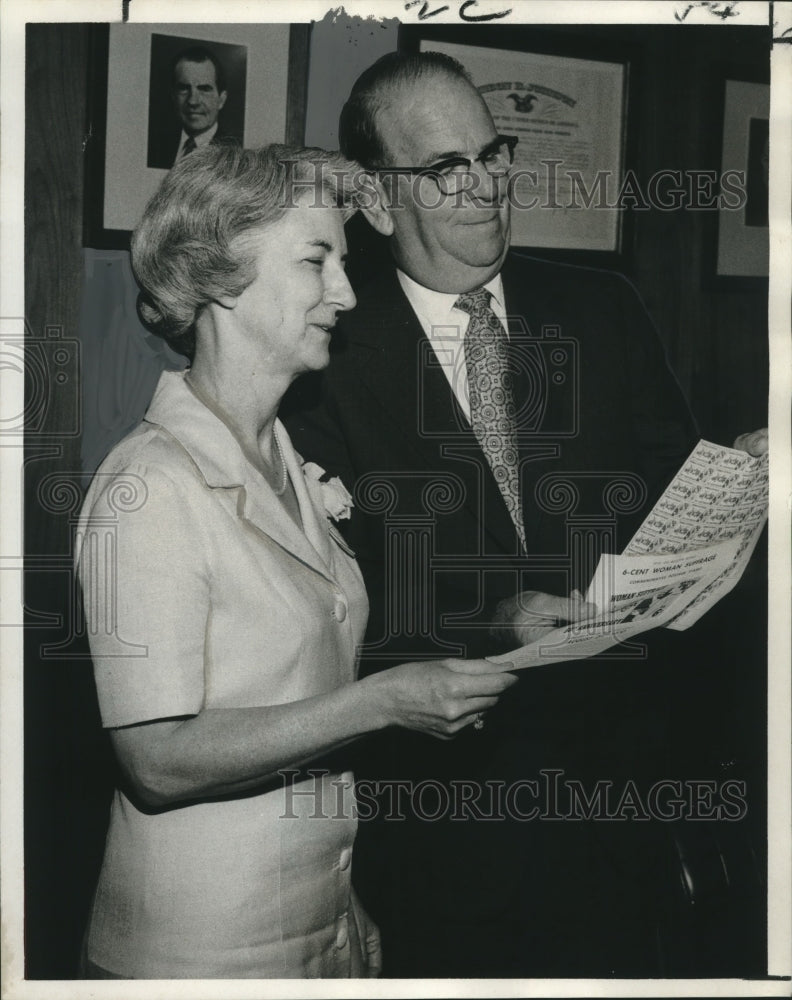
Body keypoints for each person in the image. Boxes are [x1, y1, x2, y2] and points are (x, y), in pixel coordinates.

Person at [282, 51, 768, 977]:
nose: (486, 187)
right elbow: (320, 607)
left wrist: (741, 481)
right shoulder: (327, 346)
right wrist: (486, 628)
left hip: (619, 802)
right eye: (443, 169)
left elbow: (673, 499)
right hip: (439, 825)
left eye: (492, 153)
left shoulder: (602, 308)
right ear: (380, 204)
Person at [75, 143, 517, 979]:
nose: (346, 294)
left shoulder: (287, 461)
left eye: (344, 264)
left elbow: (286, 701)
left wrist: (338, 905)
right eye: (317, 261)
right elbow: (157, 760)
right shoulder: (149, 487)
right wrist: (381, 702)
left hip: (312, 927)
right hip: (196, 952)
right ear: (218, 273)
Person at [148, 46, 238, 169]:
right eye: (184, 88)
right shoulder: (153, 146)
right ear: (173, 96)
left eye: (204, 89)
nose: (193, 101)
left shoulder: (235, 156)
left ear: (221, 99)